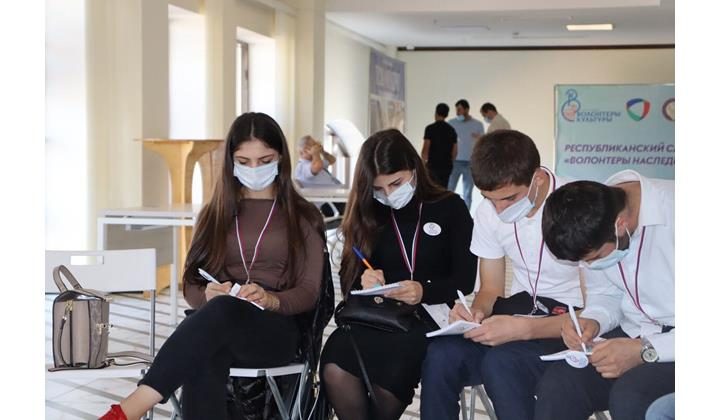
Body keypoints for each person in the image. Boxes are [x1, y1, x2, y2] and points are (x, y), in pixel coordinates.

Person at [99, 113, 326, 420]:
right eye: (243, 161)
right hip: (218, 323)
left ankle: (127, 410)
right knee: (206, 348)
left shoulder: (304, 216)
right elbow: (191, 283)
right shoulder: (214, 213)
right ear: (231, 162)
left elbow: (310, 291)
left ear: (281, 159)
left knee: (212, 325)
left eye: (264, 160)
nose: (254, 169)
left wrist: (271, 299)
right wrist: (207, 294)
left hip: (276, 329)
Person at [421, 129, 597, 420]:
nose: (500, 208)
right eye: (489, 199)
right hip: (519, 310)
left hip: (570, 321)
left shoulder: (578, 207)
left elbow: (596, 311)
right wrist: (475, 313)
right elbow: (490, 289)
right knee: (441, 354)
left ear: (537, 178)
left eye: (510, 198)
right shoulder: (488, 212)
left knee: (502, 362)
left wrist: (524, 329)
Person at [320, 129, 477, 420]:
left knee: (389, 376)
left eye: (396, 183)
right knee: (335, 366)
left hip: (428, 318)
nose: (389, 195)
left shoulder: (450, 207)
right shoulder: (368, 211)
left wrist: (424, 290)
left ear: (414, 168)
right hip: (375, 315)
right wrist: (363, 279)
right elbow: (348, 280)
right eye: (379, 189)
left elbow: (465, 279)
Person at [537, 171, 675, 420]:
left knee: (632, 397)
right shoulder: (598, 218)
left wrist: (644, 350)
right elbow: (605, 293)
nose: (591, 266)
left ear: (620, 224)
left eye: (596, 258)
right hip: (637, 332)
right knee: (561, 385)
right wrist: (593, 320)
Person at [294, 134, 345, 218]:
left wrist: (323, 152)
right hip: (329, 203)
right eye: (314, 145)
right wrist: (316, 154)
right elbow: (317, 167)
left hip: (337, 198)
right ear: (305, 150)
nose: (316, 147)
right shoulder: (302, 167)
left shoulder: (314, 161)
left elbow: (332, 160)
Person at [448, 99, 484, 208]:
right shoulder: (451, 123)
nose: (457, 112)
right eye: (456, 110)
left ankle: (466, 215)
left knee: (467, 192)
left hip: (470, 162)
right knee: (449, 190)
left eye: (459, 110)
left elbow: (483, 143)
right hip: (455, 161)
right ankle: (448, 213)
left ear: (467, 109)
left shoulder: (477, 124)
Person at [421, 102, 457, 188]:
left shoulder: (430, 128)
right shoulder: (451, 130)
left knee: (432, 188)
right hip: (446, 166)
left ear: (436, 113)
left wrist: (423, 163)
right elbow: (455, 151)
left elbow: (426, 149)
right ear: (447, 115)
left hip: (433, 165)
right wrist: (450, 161)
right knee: (443, 189)